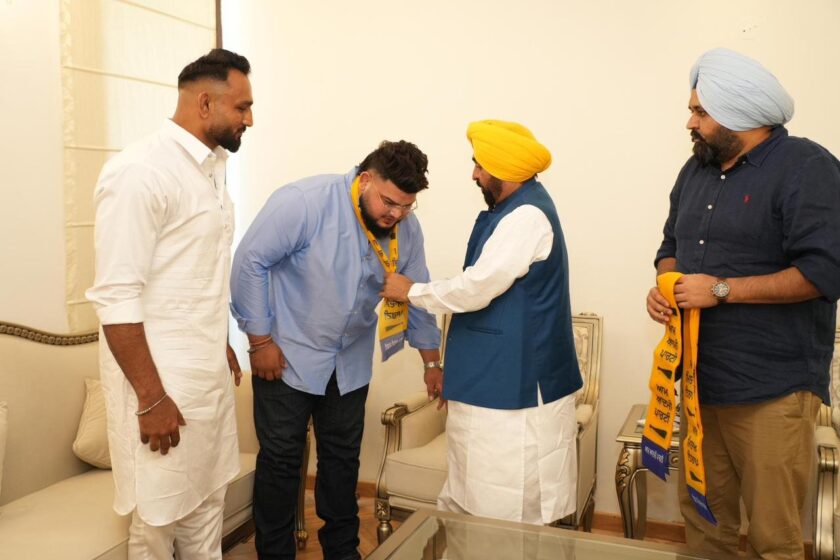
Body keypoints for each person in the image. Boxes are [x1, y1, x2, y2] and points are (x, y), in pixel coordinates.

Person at [646, 48, 840, 558]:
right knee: (704, 525)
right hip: (699, 383)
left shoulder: (808, 167)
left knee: (773, 539)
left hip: (771, 390)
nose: (690, 122)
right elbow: (669, 248)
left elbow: (824, 273)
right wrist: (667, 288)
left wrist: (721, 290)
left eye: (700, 112)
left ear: (739, 113)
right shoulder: (695, 170)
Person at [230, 140, 442, 560]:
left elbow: (415, 292)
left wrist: (431, 361)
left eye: (406, 206)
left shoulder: (407, 228)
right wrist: (259, 341)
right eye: (388, 202)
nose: (396, 215)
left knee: (342, 464)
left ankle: (343, 552)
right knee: (281, 463)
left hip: (348, 364)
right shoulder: (305, 202)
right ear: (365, 180)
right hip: (286, 357)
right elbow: (249, 262)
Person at [85, 48, 253, 559]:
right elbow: (116, 296)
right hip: (162, 389)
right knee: (157, 524)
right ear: (204, 103)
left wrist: (218, 341)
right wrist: (151, 398)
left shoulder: (213, 168)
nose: (249, 119)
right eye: (242, 107)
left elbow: (192, 274)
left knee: (206, 508)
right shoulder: (140, 172)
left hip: (206, 381)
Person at [381, 120, 583, 526]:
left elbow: (476, 288)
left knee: (503, 512)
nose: (474, 174)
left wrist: (411, 291)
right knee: (470, 500)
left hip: (514, 393)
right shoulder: (512, 210)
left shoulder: (527, 217)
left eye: (480, 165)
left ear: (504, 169)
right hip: (488, 384)